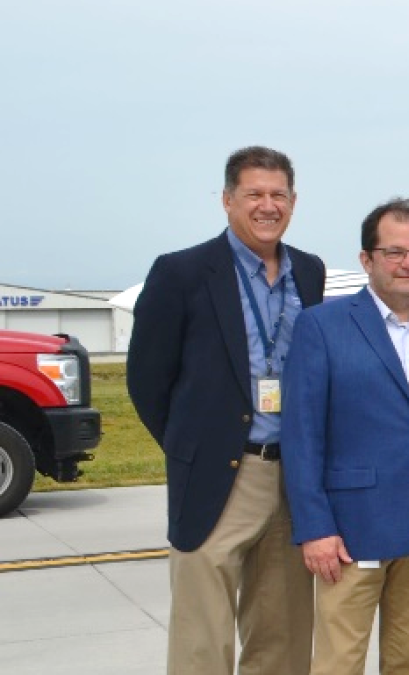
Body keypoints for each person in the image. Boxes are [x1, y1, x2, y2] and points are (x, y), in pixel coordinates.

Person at [126, 146, 321, 675]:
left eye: (278, 194)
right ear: (228, 200)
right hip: (220, 474)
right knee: (203, 640)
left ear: (293, 201)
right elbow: (146, 380)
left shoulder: (309, 271)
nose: (267, 205)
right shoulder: (182, 272)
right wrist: (192, 448)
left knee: (283, 636)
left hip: (294, 477)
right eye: (254, 193)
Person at [281, 197, 409, 675]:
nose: (408, 263)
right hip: (351, 530)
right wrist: (315, 527)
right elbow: (302, 435)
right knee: (339, 662)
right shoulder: (322, 326)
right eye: (394, 252)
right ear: (366, 259)